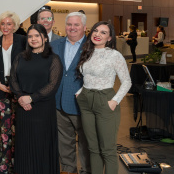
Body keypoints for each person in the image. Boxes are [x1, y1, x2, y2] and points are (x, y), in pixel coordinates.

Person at [75, 21, 132, 174]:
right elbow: (87, 76)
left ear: (109, 38)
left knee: (107, 150)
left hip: (105, 100)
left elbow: (127, 81)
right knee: (93, 148)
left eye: (103, 32)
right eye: (96, 30)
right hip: (86, 100)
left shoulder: (114, 55)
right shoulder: (87, 51)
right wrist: (80, 92)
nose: (98, 34)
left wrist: (114, 101)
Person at [9, 24, 63, 174]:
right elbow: (13, 79)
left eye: (37, 36)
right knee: (24, 146)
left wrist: (31, 98)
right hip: (23, 109)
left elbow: (53, 85)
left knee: (41, 145)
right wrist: (21, 97)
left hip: (43, 109)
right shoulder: (20, 57)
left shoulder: (54, 59)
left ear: (45, 38)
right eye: (30, 36)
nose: (33, 39)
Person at [50, 12, 91, 174]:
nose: (72, 28)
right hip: (59, 102)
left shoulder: (92, 46)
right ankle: (68, 170)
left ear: (84, 27)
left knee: (85, 143)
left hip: (82, 104)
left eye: (76, 25)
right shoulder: (55, 45)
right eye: (69, 24)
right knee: (64, 142)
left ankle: (87, 170)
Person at [0, 11, 27, 174]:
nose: (5, 27)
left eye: (9, 24)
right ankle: (4, 166)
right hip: (1, 91)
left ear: (15, 26)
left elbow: (27, 65)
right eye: (3, 24)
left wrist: (16, 85)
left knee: (19, 129)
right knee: (5, 130)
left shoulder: (23, 41)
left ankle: (19, 165)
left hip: (19, 91)